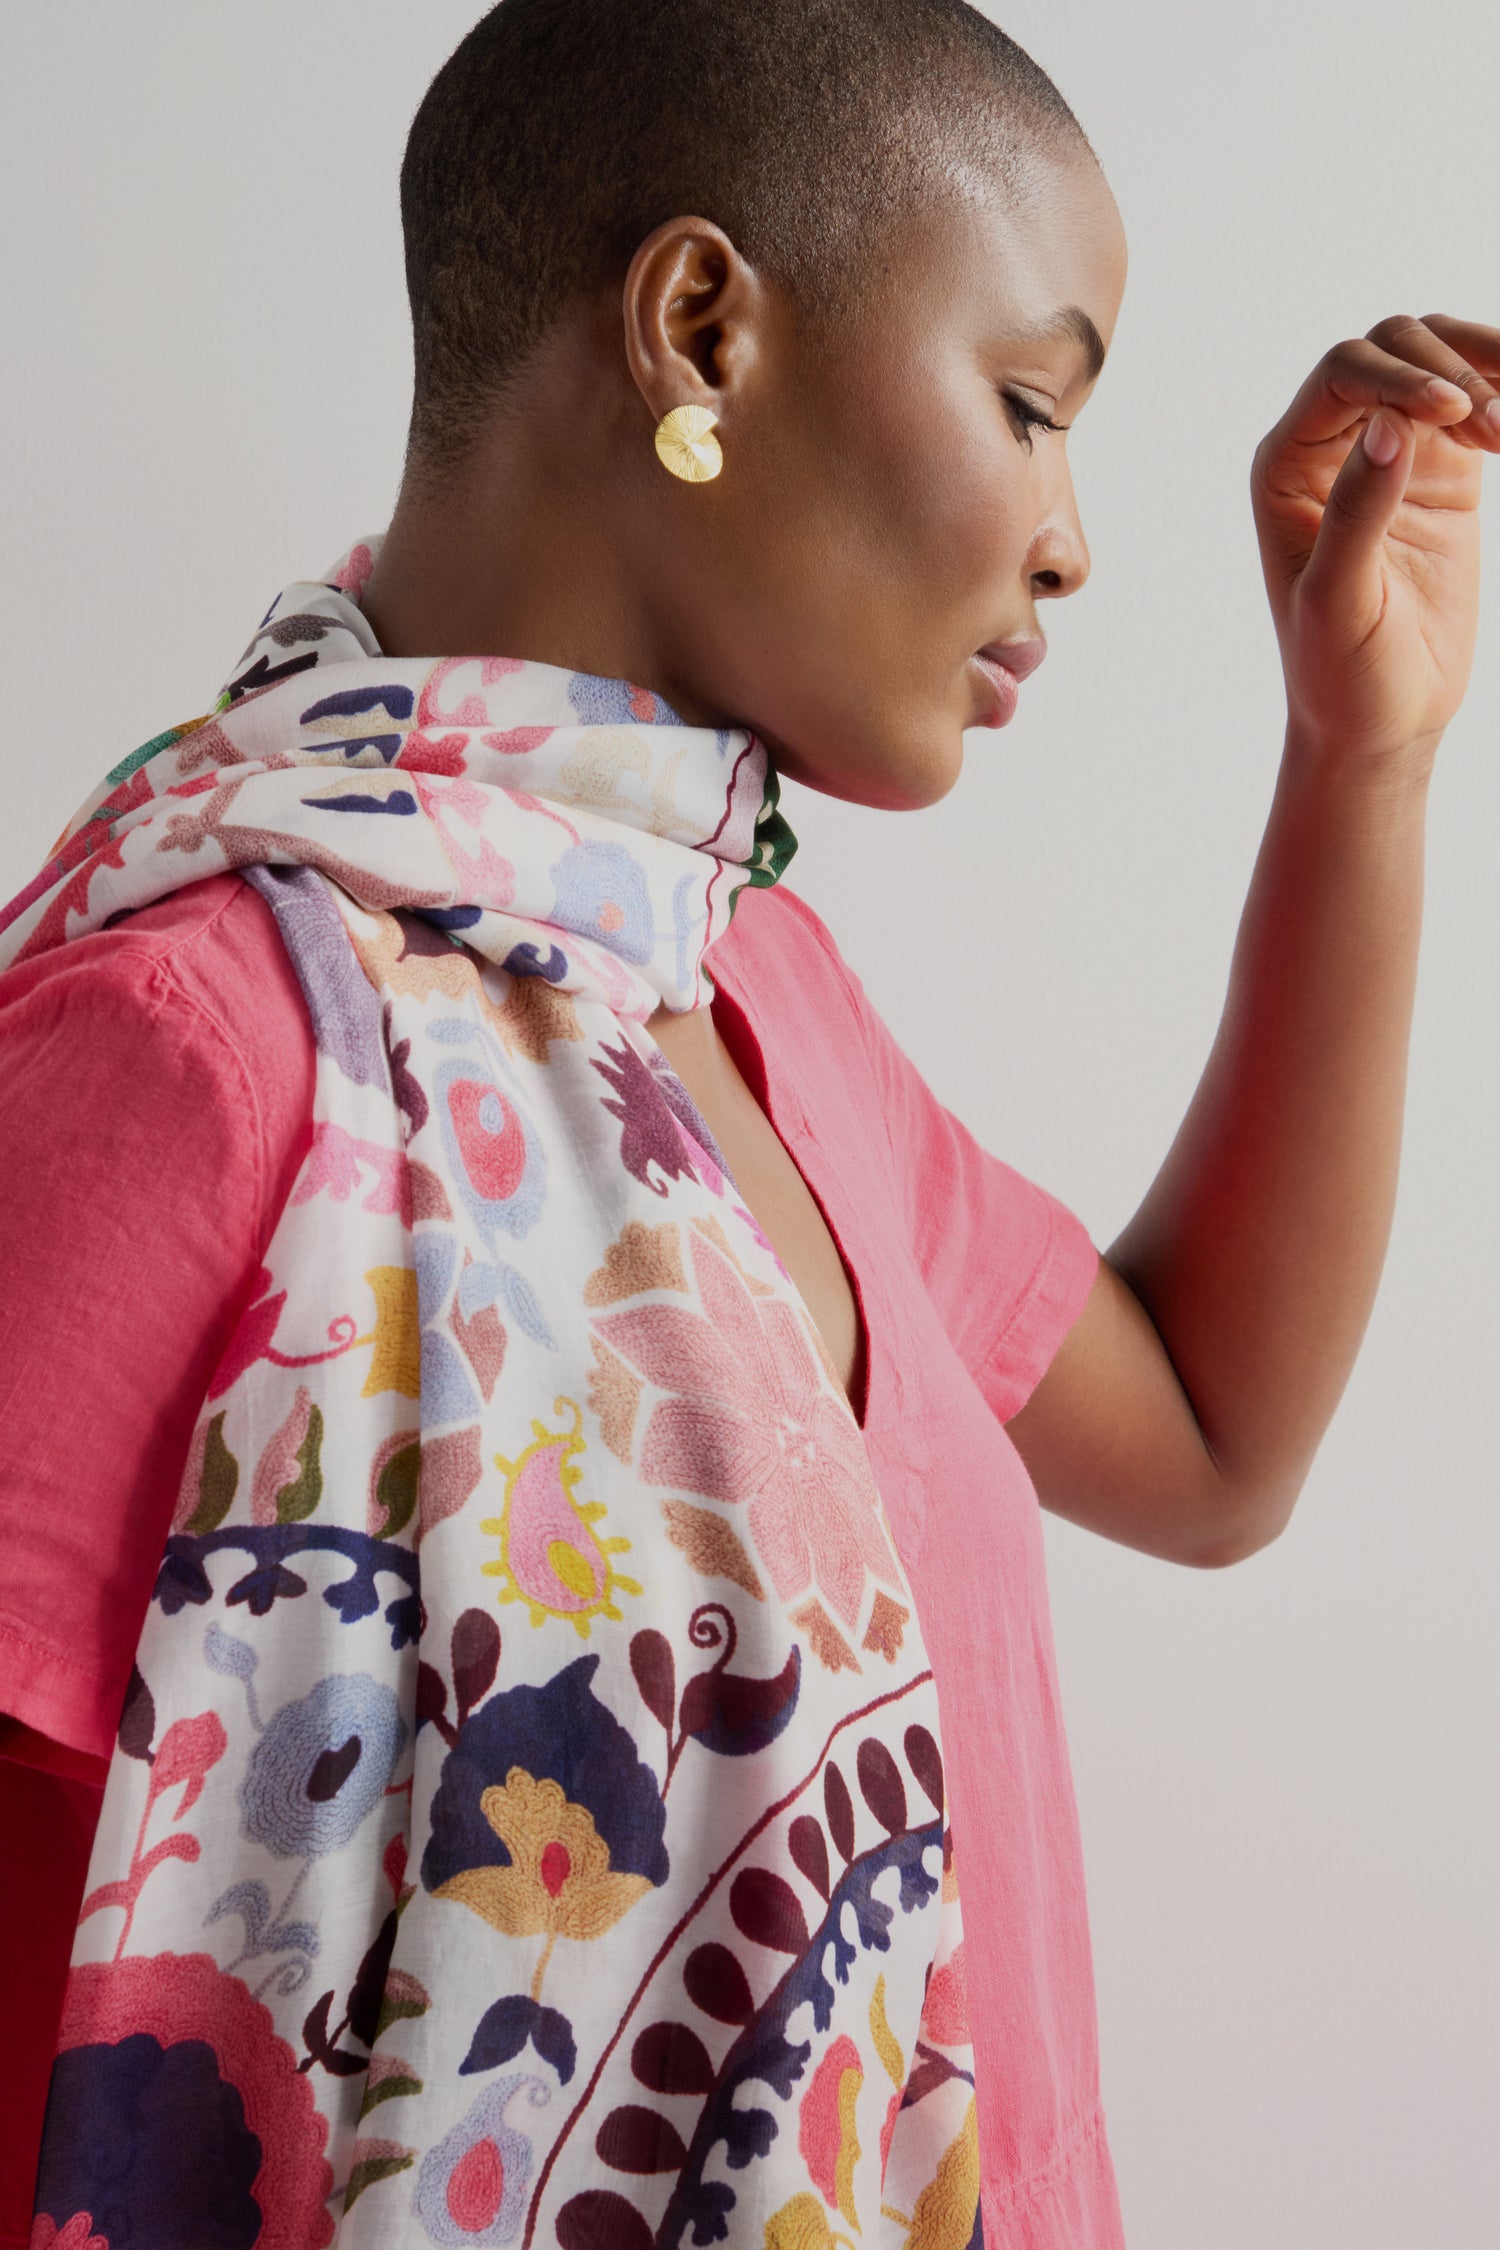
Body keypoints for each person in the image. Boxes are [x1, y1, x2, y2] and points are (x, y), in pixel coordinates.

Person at [1, 0, 1495, 2241]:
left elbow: (1208, 1435)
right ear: (703, 328)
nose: (1072, 542)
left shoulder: (731, 982)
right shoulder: (185, 1055)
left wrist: (1361, 756)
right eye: (1029, 405)